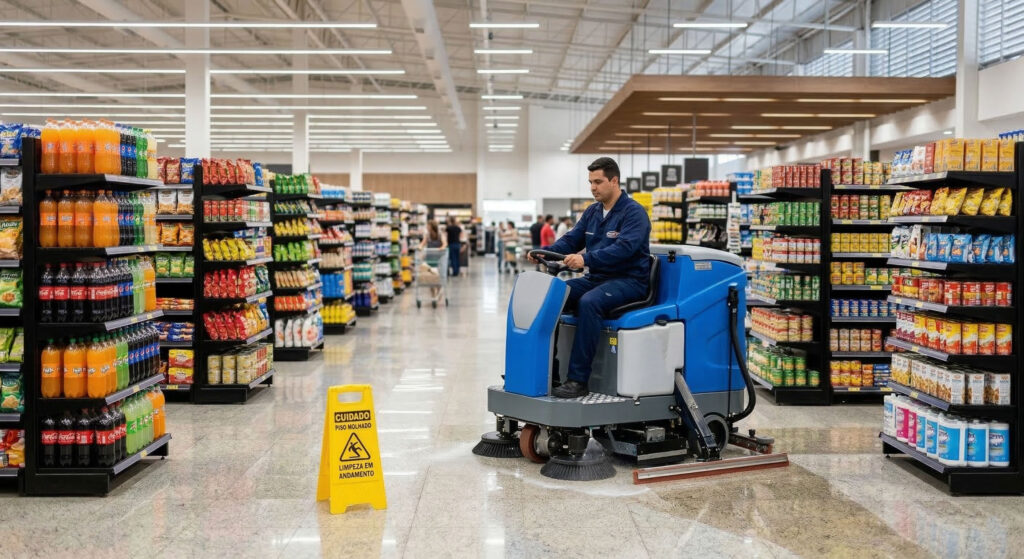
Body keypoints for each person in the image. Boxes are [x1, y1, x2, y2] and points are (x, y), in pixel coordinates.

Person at [534, 157, 651, 398]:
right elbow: (572, 239)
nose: (593, 187)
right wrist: (545, 251)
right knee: (554, 296)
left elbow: (624, 249)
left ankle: (578, 380)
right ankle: (548, 372)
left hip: (630, 281)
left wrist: (586, 260)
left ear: (614, 180)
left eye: (598, 182)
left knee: (590, 302)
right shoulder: (593, 211)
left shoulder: (634, 213)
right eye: (590, 182)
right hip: (598, 279)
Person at [419, 220, 447, 299]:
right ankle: (433, 295)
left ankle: (438, 291)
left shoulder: (440, 234)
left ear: (432, 227)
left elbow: (444, 243)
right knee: (430, 277)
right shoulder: (427, 235)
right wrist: (420, 247)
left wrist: (442, 248)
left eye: (428, 226)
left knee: (437, 276)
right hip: (430, 258)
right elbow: (423, 243)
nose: (427, 227)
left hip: (439, 258)